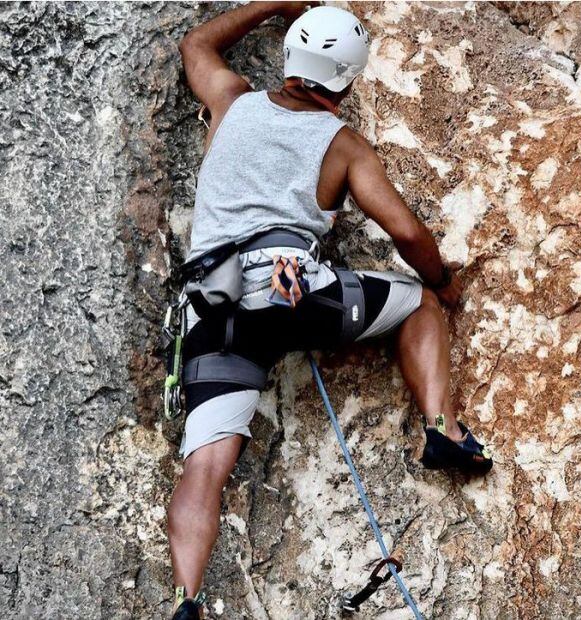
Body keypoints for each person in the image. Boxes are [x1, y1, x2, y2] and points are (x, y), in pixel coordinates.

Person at [168, 3, 492, 618]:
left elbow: (195, 45)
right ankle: (442, 431)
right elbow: (405, 232)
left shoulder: (231, 101)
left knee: (205, 464)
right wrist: (444, 283)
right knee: (417, 303)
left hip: (213, 307)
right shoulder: (341, 145)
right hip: (293, 294)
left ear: (291, 54)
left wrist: (274, 4)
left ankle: (186, 600)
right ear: (350, 76)